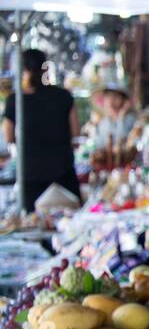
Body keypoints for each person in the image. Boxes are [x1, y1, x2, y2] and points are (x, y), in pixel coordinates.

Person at [3, 48, 80, 211]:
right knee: (70, 226)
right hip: (63, 172)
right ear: (46, 67)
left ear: (23, 69)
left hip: (31, 174)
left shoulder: (15, 100)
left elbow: (8, 136)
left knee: (34, 226)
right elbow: (76, 133)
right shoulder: (63, 96)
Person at [91, 83, 137, 148]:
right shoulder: (104, 122)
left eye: (115, 96)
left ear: (124, 100)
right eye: (108, 96)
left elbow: (122, 140)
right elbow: (100, 144)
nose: (111, 100)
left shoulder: (130, 119)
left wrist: (121, 116)